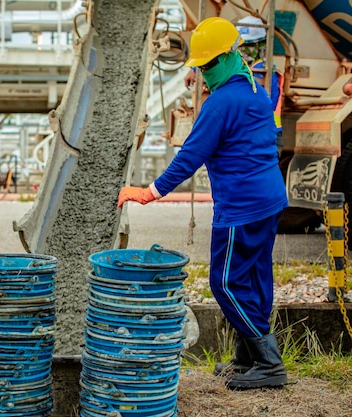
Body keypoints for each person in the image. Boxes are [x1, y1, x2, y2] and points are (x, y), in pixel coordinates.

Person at [118, 17, 289, 390]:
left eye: (210, 64)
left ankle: (269, 363)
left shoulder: (220, 104)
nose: (206, 71)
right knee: (255, 278)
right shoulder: (255, 90)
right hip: (270, 199)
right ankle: (249, 358)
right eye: (201, 66)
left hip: (241, 207)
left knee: (225, 282)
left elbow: (190, 156)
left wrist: (149, 192)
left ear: (230, 56)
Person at [184, 16, 284, 155]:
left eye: (248, 47)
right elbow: (217, 58)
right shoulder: (242, 67)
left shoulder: (266, 71)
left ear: (259, 46)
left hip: (264, 138)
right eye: (240, 48)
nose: (242, 52)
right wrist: (195, 69)